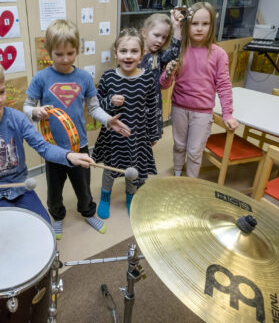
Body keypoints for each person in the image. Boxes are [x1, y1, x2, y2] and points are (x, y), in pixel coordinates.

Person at [0, 52, 93, 224]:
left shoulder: (17, 119)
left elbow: (43, 147)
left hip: (20, 189)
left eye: (2, 92)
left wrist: (68, 155)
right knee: (7, 233)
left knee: (43, 224)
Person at [24, 19, 131, 239]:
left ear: (77, 50)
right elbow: (26, 106)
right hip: (53, 149)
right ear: (48, 51)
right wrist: (35, 112)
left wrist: (108, 120)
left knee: (83, 186)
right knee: (54, 190)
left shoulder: (83, 77)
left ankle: (88, 212)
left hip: (79, 145)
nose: (65, 59)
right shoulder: (40, 78)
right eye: (59, 54)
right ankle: (57, 216)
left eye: (70, 53)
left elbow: (93, 107)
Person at [160, 2, 239, 178]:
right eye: (195, 24)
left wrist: (228, 113)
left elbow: (224, 85)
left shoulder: (218, 54)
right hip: (180, 108)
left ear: (212, 26)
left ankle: (191, 183)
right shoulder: (178, 50)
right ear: (187, 25)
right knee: (179, 145)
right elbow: (164, 85)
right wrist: (168, 74)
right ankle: (178, 175)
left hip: (203, 112)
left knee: (195, 151)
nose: (199, 28)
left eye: (205, 24)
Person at [92, 28, 160, 218]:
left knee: (133, 167)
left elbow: (152, 107)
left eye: (133, 51)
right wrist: (110, 101)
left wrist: (153, 134)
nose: (128, 56)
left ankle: (131, 197)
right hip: (112, 136)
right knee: (109, 168)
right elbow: (95, 106)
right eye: (123, 51)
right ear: (116, 53)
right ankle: (105, 197)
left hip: (137, 135)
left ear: (142, 54)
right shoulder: (108, 77)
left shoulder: (147, 78)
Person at [139, 12, 183, 137]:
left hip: (152, 107)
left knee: (149, 141)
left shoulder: (159, 55)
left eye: (164, 37)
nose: (160, 41)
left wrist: (176, 26)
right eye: (156, 35)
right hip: (135, 106)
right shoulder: (134, 54)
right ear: (144, 33)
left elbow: (175, 52)